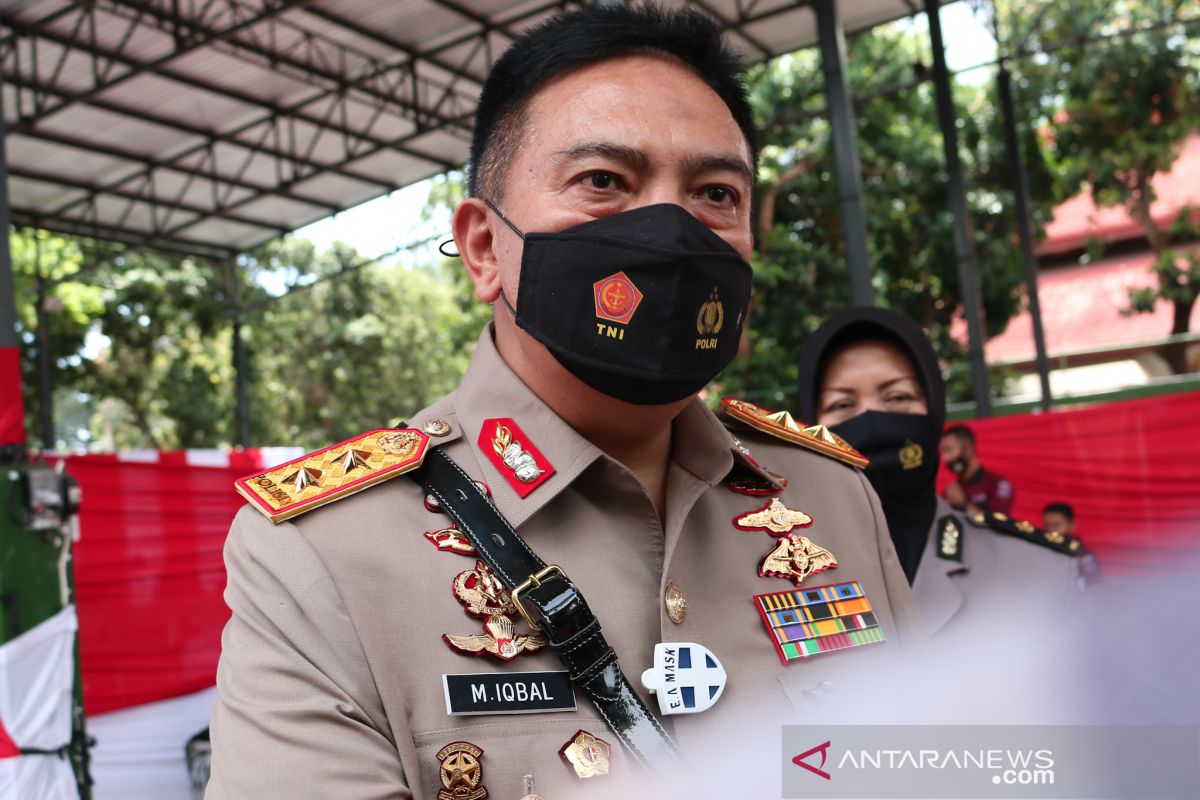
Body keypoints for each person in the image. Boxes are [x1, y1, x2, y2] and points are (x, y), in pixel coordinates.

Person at [205, 8, 922, 799]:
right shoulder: (328, 555)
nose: (672, 233)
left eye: (715, 193)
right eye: (604, 182)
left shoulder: (831, 496)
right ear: (484, 248)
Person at [798, 307, 1082, 638]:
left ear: (934, 410)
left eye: (898, 396)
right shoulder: (772, 577)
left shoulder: (1038, 571)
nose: (872, 420)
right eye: (842, 405)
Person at [939, 424, 1016, 515]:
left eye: (949, 450)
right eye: (943, 452)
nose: (945, 458)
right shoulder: (950, 492)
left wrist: (963, 504)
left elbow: (999, 523)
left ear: (967, 449)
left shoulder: (998, 484)